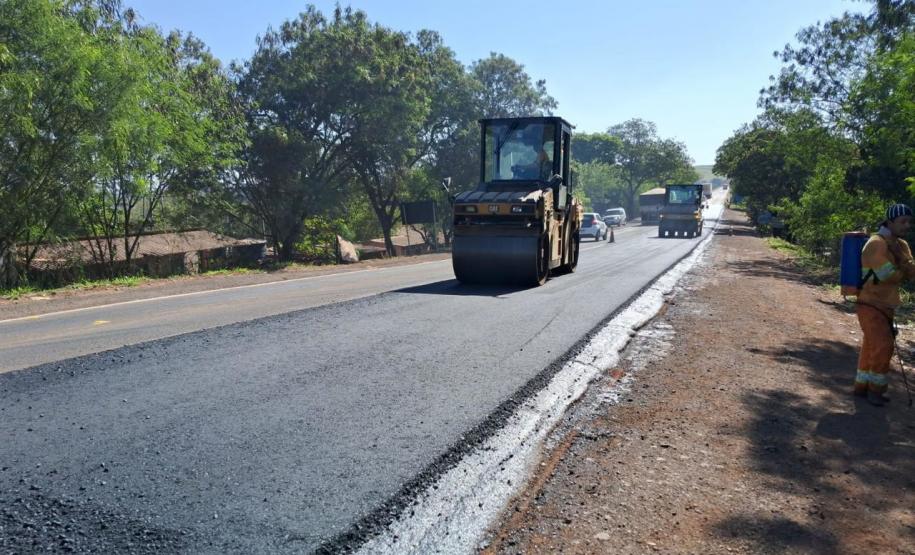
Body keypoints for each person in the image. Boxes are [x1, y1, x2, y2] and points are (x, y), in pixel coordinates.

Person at [855, 203, 915, 406]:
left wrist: (904, 266)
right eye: (902, 222)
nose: (906, 225)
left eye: (909, 221)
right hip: (869, 302)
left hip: (887, 303)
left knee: (871, 345)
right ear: (890, 222)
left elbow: (911, 272)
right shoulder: (876, 243)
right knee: (884, 345)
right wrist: (903, 267)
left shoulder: (902, 245)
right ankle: (876, 390)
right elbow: (887, 275)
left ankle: (861, 386)